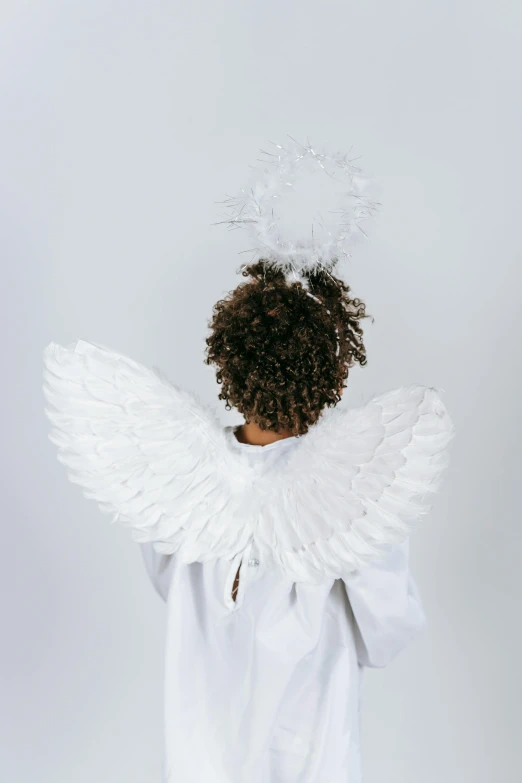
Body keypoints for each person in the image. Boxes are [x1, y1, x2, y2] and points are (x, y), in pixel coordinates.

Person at [42, 259, 454, 782]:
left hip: (200, 755)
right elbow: (389, 630)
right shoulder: (356, 491)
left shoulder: (179, 477)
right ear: (329, 374)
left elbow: (169, 580)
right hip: (312, 756)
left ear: (229, 366)